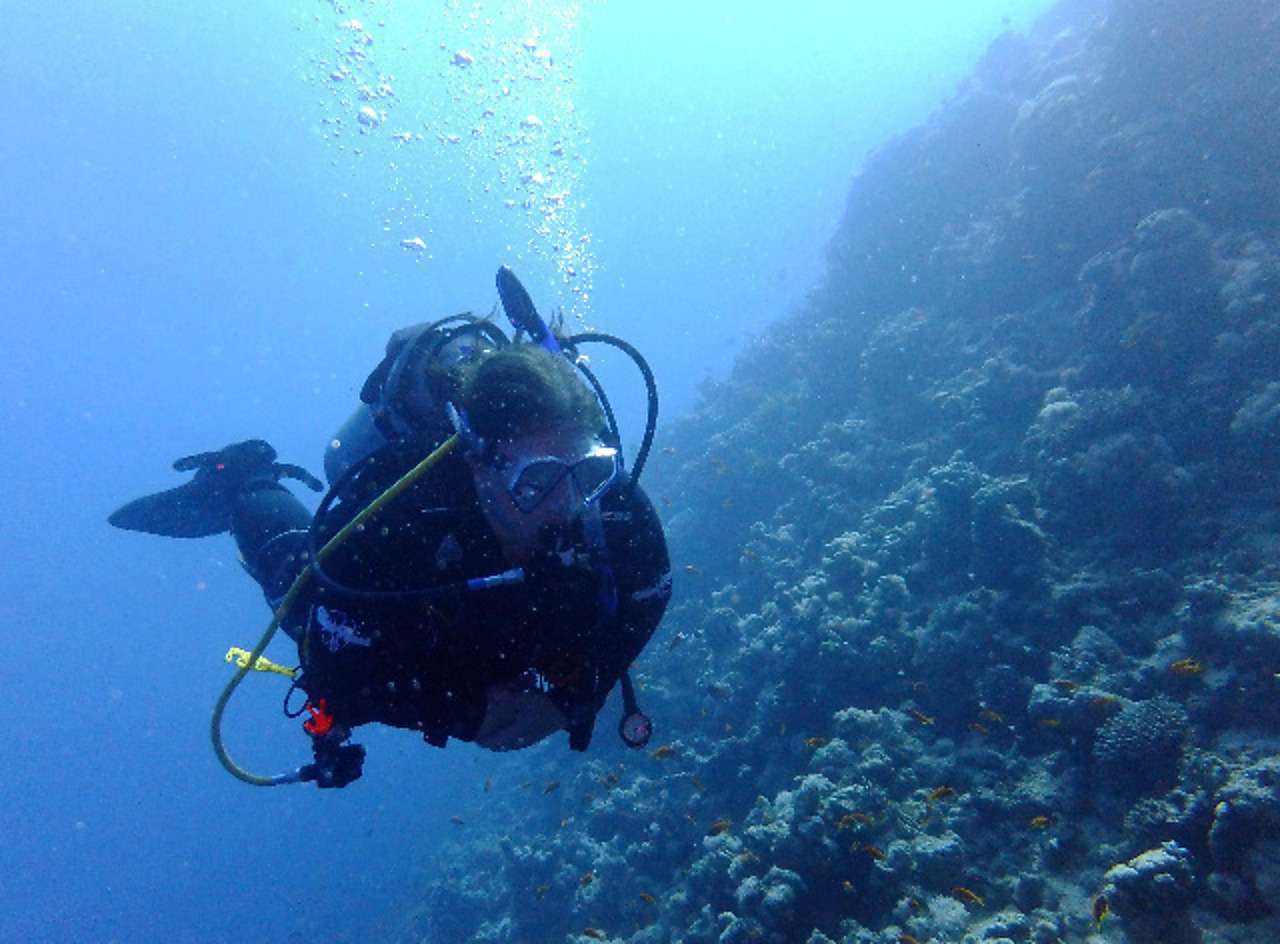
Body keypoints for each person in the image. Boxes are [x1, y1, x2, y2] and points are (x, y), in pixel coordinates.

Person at [109, 269, 672, 788]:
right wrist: (465, 712)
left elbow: (648, 595)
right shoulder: (404, 523)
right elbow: (336, 668)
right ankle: (242, 484)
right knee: (298, 588)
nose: (567, 504)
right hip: (404, 615)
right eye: (537, 481)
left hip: (492, 631)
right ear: (478, 462)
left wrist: (579, 697)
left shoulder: (610, 502)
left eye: (589, 471)